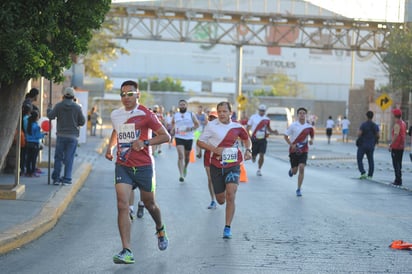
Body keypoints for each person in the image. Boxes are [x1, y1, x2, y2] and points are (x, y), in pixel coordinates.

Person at [105, 80, 170, 264]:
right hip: (123, 165)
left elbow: (166, 136)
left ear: (137, 94)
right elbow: (116, 132)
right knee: (122, 204)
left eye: (130, 94)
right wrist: (110, 148)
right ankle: (127, 250)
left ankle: (160, 228)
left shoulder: (146, 114)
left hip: (144, 166)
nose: (126, 97)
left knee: (150, 204)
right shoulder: (116, 114)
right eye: (123, 94)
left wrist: (145, 142)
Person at [197, 102, 252, 239]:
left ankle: (227, 227)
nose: (222, 114)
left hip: (233, 165)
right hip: (216, 165)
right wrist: (214, 150)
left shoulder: (237, 127)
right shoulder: (212, 126)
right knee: (221, 199)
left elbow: (246, 139)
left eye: (224, 111)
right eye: (219, 111)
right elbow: (200, 142)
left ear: (230, 113)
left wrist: (248, 150)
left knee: (231, 195)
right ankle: (221, 202)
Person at [47, 87, 86, 185]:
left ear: (63, 96)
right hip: (72, 137)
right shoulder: (77, 107)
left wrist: (48, 109)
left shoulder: (59, 106)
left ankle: (56, 178)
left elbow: (51, 116)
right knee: (69, 158)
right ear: (73, 96)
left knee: (58, 158)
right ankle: (67, 178)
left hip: (61, 135)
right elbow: (82, 122)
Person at [283, 107, 315, 197]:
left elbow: (312, 136)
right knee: (294, 171)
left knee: (301, 167)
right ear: (298, 115)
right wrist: (291, 144)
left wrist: (311, 140)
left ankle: (299, 188)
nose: (302, 115)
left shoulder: (309, 127)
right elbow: (285, 136)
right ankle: (291, 170)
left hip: (304, 150)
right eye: (300, 113)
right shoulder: (293, 125)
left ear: (306, 115)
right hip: (293, 151)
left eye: (303, 113)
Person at [171, 99, 200, 182]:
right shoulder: (176, 115)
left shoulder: (191, 114)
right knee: (180, 155)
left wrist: (191, 128)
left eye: (184, 104)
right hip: (179, 137)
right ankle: (181, 175)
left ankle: (185, 167)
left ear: (186, 106)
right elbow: (173, 123)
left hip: (189, 137)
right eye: (181, 105)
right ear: (178, 106)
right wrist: (173, 129)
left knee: (187, 157)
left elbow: (197, 124)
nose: (182, 106)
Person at [246, 104, 278, 176]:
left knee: (262, 154)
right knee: (254, 155)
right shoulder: (253, 117)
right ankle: (253, 156)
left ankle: (259, 169)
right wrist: (248, 135)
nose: (262, 112)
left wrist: (274, 132)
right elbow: (248, 127)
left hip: (263, 139)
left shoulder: (267, 119)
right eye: (261, 110)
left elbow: (269, 129)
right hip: (254, 139)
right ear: (258, 110)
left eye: (263, 111)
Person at [356, 110, 380, 180]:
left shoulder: (363, 124)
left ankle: (363, 172)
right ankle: (370, 175)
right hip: (371, 145)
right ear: (372, 117)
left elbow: (359, 134)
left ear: (366, 116)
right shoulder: (375, 125)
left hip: (363, 145)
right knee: (370, 160)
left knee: (359, 158)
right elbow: (378, 135)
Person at [203, 110, 218, 209]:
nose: (212, 120)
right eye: (210, 118)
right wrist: (199, 151)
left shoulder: (224, 129)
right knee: (210, 179)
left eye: (214, 118)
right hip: (208, 156)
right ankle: (213, 200)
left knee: (220, 179)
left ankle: (222, 193)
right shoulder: (206, 129)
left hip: (219, 156)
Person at [25, 110, 46, 177]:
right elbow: (37, 136)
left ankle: (28, 172)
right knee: (33, 159)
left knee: (28, 158)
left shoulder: (28, 124)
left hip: (28, 143)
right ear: (36, 117)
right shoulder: (36, 126)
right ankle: (33, 172)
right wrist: (43, 134)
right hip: (34, 144)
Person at [389, 108, 406, 186]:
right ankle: (399, 179)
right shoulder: (403, 123)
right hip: (401, 146)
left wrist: (391, 145)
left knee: (396, 163)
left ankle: (397, 180)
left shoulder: (397, 124)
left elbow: (396, 135)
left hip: (396, 146)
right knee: (399, 163)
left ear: (395, 116)